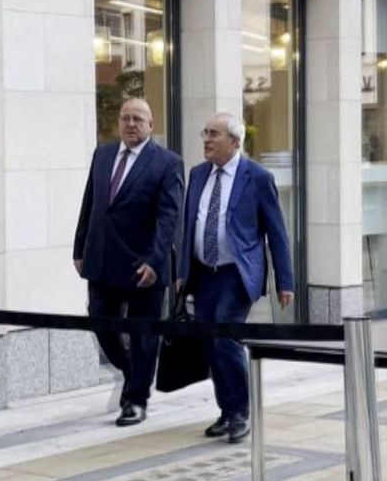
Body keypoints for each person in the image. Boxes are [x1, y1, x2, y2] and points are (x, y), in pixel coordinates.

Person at [177, 112, 295, 444]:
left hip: (237, 274)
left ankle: (240, 412)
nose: (207, 140)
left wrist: (285, 281)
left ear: (235, 141)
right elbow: (190, 225)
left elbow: (277, 232)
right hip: (203, 274)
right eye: (205, 133)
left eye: (214, 134)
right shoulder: (198, 174)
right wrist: (182, 272)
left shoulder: (256, 177)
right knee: (210, 343)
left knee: (225, 338)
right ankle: (227, 411)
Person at [73, 99, 183, 427]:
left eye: (138, 119)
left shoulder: (167, 163)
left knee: (143, 335)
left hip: (143, 266)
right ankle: (132, 371)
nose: (131, 124)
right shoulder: (103, 154)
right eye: (125, 118)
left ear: (151, 125)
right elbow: (90, 203)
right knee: (100, 322)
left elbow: (169, 219)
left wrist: (155, 260)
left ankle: (136, 400)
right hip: (102, 258)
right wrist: (79, 248)